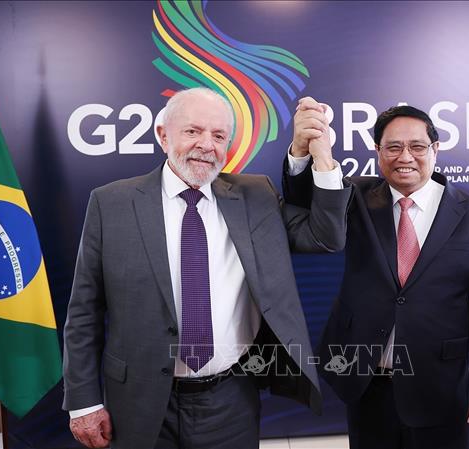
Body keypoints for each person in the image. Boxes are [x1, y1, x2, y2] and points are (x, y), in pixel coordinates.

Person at [62, 88, 351, 449]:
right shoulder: (111, 203)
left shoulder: (256, 196)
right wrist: (83, 402)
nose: (206, 145)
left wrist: (319, 156)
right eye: (192, 131)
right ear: (163, 135)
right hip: (138, 400)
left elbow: (325, 237)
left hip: (231, 398)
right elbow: (85, 311)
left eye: (218, 136)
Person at [283, 98, 469, 449]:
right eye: (393, 147)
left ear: (435, 149)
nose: (405, 157)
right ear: (378, 151)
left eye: (417, 146)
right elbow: (303, 202)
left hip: (442, 387)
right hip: (367, 384)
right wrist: (303, 149)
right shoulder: (354, 197)